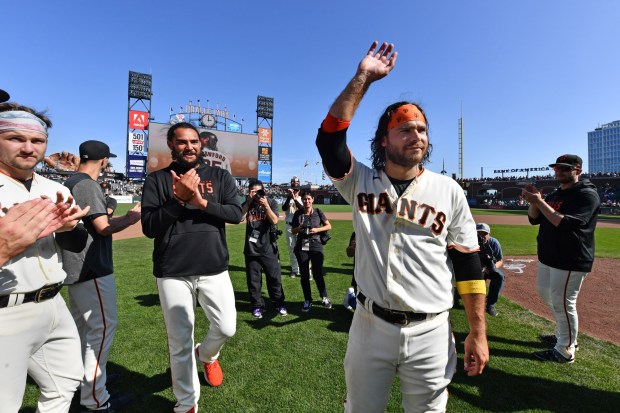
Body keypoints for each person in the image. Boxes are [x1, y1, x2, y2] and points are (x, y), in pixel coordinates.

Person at [315, 42, 488, 412]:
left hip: (432, 330)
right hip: (369, 324)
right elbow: (328, 139)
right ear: (384, 139)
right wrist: (363, 78)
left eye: (422, 130)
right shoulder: (359, 180)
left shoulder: (449, 190)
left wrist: (478, 332)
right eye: (405, 129)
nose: (417, 136)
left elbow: (470, 265)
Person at [141, 122, 242, 413]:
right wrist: (178, 200)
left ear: (202, 144)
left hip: (213, 266)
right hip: (172, 269)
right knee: (180, 341)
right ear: (171, 146)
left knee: (227, 327)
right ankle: (187, 404)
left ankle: (207, 355)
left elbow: (236, 213)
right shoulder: (157, 180)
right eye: (182, 142)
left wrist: (201, 203)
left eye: (194, 141)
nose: (189, 147)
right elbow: (149, 226)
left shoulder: (220, 176)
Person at [0, 103, 90, 412]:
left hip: (53, 303)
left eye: (37, 141)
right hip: (5, 311)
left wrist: (68, 227)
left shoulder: (53, 187)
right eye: (15, 138)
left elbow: (77, 245)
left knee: (65, 382)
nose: (28, 148)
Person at [61, 140, 141, 412]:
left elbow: (95, 219)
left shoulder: (74, 181)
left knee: (85, 332)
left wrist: (109, 205)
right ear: (104, 160)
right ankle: (95, 399)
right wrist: (131, 218)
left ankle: (86, 384)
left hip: (77, 267)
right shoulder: (85, 184)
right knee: (102, 330)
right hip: (91, 266)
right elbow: (103, 227)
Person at [522, 154, 600, 364]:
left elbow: (564, 223)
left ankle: (565, 350)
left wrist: (539, 201)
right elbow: (534, 218)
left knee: (564, 303)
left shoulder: (586, 194)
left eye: (565, 169)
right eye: (557, 169)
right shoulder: (557, 193)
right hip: (549, 255)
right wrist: (534, 201)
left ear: (578, 171)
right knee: (547, 295)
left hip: (570, 258)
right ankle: (565, 335)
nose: (560, 172)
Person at [241, 180, 287, 318]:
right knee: (254, 281)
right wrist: (248, 201)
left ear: (263, 192)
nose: (256, 194)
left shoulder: (271, 202)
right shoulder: (247, 204)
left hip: (268, 248)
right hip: (251, 249)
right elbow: (239, 218)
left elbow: (274, 220)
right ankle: (257, 306)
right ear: (249, 192)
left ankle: (279, 303)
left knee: (274, 278)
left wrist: (265, 205)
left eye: (259, 191)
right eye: (253, 191)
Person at [291, 191, 332, 312]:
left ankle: (324, 297)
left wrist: (317, 229)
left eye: (309, 199)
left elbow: (329, 226)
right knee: (304, 274)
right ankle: (308, 300)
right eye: (304, 199)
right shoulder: (298, 213)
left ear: (312, 200)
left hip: (316, 245)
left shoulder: (318, 212)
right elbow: (293, 230)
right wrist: (299, 228)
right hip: (302, 246)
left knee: (318, 273)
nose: (306, 201)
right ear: (302, 200)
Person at [476, 223, 505, 317]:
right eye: (479, 234)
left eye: (484, 234)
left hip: (490, 268)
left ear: (489, 233)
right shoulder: (472, 243)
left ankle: (490, 305)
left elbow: (500, 260)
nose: (482, 236)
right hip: (477, 269)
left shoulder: (494, 243)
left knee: (499, 277)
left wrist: (493, 267)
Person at [281, 176, 302, 276]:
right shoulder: (288, 198)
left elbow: (302, 209)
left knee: (302, 249)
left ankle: (303, 269)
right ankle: (294, 269)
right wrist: (289, 196)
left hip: (300, 227)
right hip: (289, 226)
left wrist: (294, 198)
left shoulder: (303, 199)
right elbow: (284, 208)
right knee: (292, 248)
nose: (295, 191)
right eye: (293, 188)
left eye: (296, 189)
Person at [343, 232, 357, 311]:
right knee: (361, 308)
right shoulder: (357, 232)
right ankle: (351, 297)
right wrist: (352, 247)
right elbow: (349, 254)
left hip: (378, 274)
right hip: (360, 274)